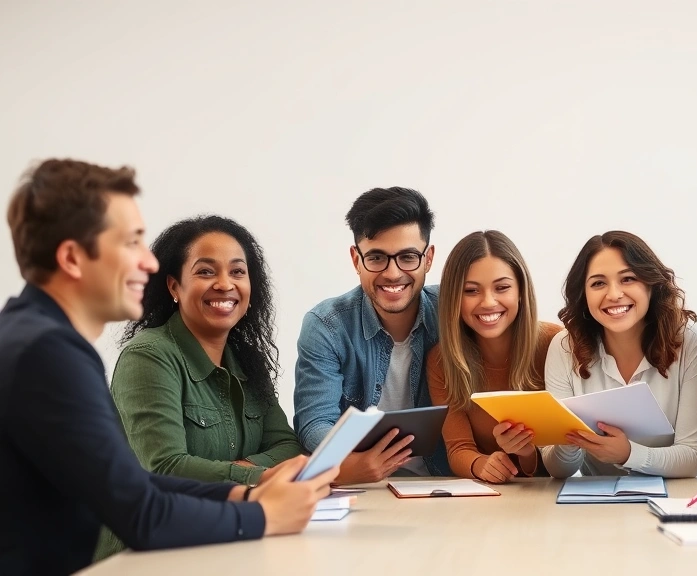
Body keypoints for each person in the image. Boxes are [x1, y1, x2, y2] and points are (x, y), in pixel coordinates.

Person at [0, 159, 336, 576]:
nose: (150, 262)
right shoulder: (46, 354)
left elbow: (129, 485)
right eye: (131, 243)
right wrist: (264, 516)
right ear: (71, 258)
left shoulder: (39, 340)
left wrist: (248, 497)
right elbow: (141, 511)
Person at [95, 215, 303, 560]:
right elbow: (164, 468)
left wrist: (238, 469)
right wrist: (252, 475)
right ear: (174, 287)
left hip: (227, 535)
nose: (225, 284)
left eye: (237, 271)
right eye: (206, 271)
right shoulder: (149, 357)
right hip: (144, 552)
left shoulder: (246, 360)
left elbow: (287, 444)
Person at [294, 186, 450, 482]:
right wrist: (353, 464)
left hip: (444, 479)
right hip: (363, 485)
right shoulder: (326, 326)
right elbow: (314, 423)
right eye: (377, 258)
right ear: (356, 260)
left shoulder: (453, 311)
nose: (392, 273)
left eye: (407, 257)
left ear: (428, 259)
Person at [541, 231, 697, 478]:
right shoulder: (564, 347)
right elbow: (558, 470)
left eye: (628, 279)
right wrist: (568, 440)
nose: (613, 294)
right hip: (597, 503)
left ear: (651, 285)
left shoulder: (690, 341)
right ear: (584, 293)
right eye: (598, 283)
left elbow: (692, 457)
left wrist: (628, 454)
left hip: (678, 498)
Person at [427, 230, 561, 483]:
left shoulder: (555, 344)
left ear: (521, 291)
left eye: (502, 288)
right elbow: (458, 449)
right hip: (488, 499)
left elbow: (568, 451)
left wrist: (526, 454)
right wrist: (481, 464)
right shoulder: (442, 362)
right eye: (471, 291)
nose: (488, 302)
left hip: (548, 494)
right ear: (454, 298)